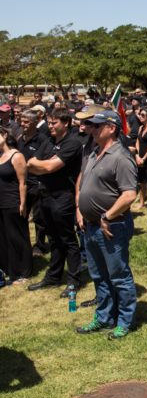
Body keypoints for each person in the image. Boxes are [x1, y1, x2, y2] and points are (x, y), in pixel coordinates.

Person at [74, 111, 138, 340]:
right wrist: (80, 209)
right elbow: (83, 181)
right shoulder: (92, 152)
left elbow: (130, 194)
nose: (90, 128)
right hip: (90, 225)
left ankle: (124, 320)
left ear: (111, 128)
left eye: (96, 125)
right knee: (99, 275)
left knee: (118, 274)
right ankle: (104, 316)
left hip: (112, 226)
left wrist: (107, 216)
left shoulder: (121, 156)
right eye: (90, 125)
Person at [27, 109, 84, 297]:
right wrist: (43, 166)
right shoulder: (48, 141)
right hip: (45, 195)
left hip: (63, 197)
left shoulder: (73, 143)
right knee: (53, 239)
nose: (50, 126)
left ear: (65, 123)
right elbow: (30, 164)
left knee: (67, 239)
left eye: (54, 123)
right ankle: (53, 276)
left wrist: (43, 166)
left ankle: (74, 281)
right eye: (49, 123)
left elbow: (50, 166)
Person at [0, 126, 31, 284]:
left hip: (13, 202)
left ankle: (22, 271)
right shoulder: (0, 156)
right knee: (3, 238)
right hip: (1, 203)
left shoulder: (16, 155)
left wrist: (23, 203)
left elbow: (22, 182)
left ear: (4, 135)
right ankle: (8, 269)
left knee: (17, 237)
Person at [18, 110, 50, 258]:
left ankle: (40, 245)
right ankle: (23, 245)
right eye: (22, 121)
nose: (22, 124)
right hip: (21, 184)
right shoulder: (19, 138)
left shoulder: (43, 139)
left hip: (36, 183)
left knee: (39, 217)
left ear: (35, 122)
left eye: (26, 122)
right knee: (21, 214)